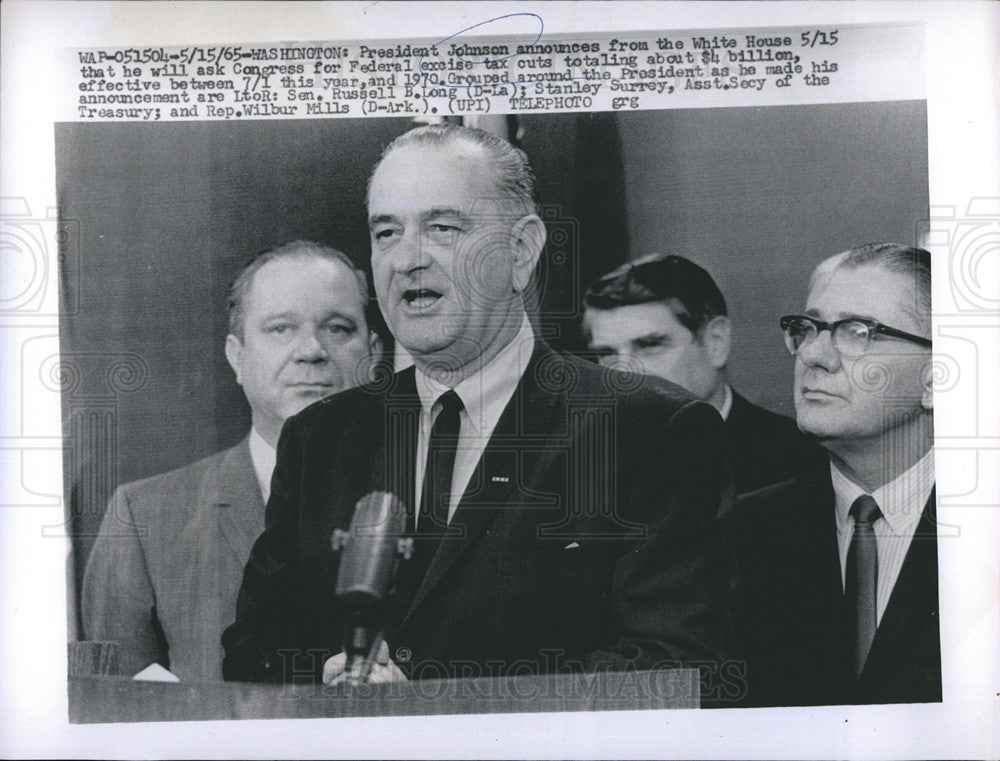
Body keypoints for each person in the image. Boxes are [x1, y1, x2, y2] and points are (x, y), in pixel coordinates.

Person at [222, 124, 737, 689]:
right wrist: (329, 679)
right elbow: (254, 652)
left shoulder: (649, 430)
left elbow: (677, 665)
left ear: (521, 252)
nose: (407, 260)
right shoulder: (320, 438)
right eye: (387, 233)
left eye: (442, 228)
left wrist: (437, 712)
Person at [82, 240, 382, 681]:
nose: (312, 350)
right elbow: (113, 712)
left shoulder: (424, 491)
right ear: (236, 357)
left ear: (373, 355)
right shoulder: (143, 517)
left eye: (337, 328)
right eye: (281, 329)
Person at [730, 243, 939, 706]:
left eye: (856, 331)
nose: (814, 355)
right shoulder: (743, 533)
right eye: (807, 329)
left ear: (935, 378)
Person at [583, 253, 820, 495]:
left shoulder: (800, 461)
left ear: (716, 342)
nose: (624, 372)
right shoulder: (581, 465)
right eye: (606, 353)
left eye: (650, 345)